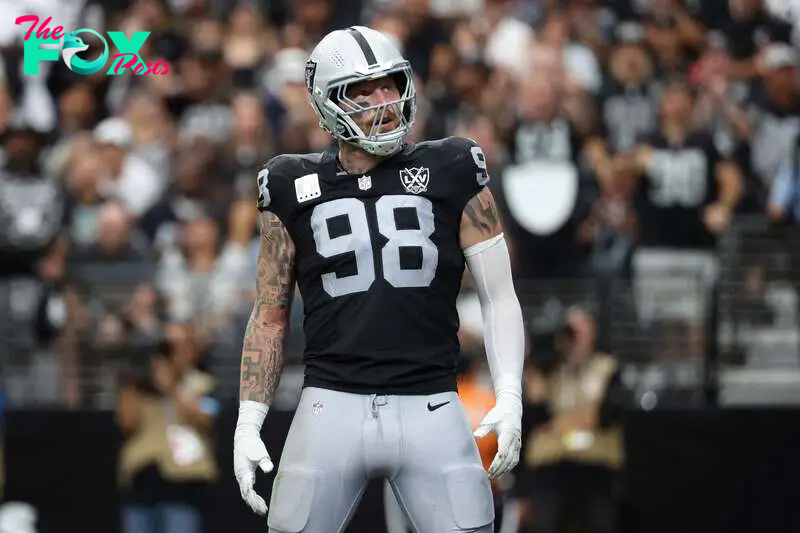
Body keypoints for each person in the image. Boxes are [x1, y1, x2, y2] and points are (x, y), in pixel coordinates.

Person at [232, 26, 525, 533]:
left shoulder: (452, 164)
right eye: (362, 92)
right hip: (331, 404)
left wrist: (511, 393)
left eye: (390, 85)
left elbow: (499, 296)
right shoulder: (288, 183)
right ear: (327, 105)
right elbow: (270, 311)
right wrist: (248, 418)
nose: (384, 102)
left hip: (431, 401)